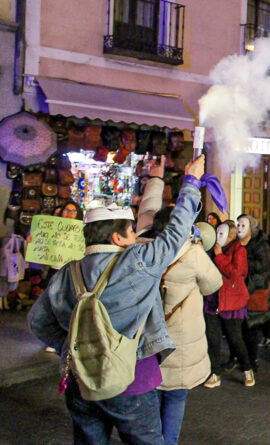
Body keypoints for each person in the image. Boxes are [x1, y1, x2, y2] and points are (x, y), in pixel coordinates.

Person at [28, 155, 206, 444]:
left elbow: (37, 322)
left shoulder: (66, 273)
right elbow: (176, 233)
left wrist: (73, 348)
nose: (136, 237)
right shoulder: (138, 262)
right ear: (117, 238)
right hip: (132, 383)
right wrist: (191, 182)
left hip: (81, 382)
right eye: (132, 231)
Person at [147, 206, 222, 445]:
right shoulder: (192, 253)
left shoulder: (145, 248)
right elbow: (213, 283)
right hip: (182, 337)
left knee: (154, 390)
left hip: (150, 333)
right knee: (176, 395)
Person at [204, 220, 254, 388]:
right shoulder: (211, 248)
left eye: (221, 234)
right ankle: (214, 373)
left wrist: (219, 257)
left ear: (231, 236)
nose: (217, 238)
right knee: (213, 338)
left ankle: (247, 368)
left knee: (234, 339)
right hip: (213, 299)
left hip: (231, 301)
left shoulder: (239, 250)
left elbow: (235, 273)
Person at [236, 214, 270, 373]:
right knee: (237, 327)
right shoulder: (235, 242)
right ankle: (238, 357)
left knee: (252, 327)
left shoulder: (260, 244)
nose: (239, 228)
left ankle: (252, 359)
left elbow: (263, 264)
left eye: (243, 225)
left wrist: (242, 261)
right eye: (238, 224)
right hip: (238, 289)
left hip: (255, 289)